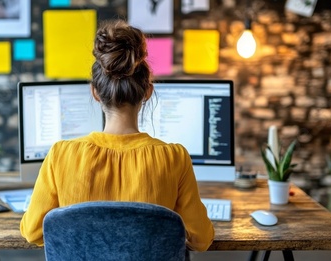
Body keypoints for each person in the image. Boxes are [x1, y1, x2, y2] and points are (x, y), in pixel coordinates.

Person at [20, 20, 214, 252]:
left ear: (95, 92)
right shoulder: (174, 158)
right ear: (148, 92)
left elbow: (33, 232)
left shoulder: (61, 155)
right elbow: (201, 240)